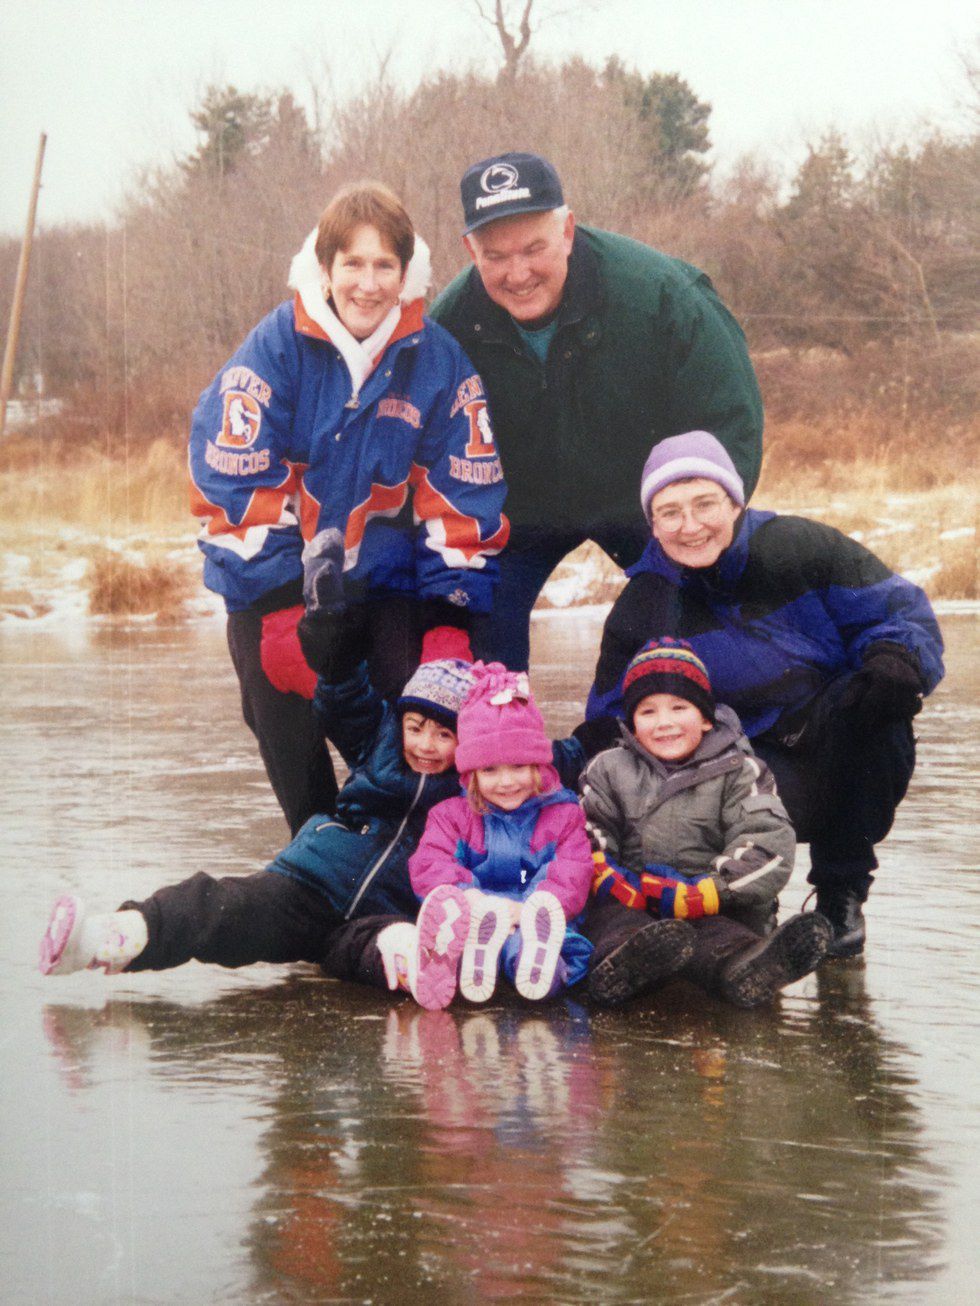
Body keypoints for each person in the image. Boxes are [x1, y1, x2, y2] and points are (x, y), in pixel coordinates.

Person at [189, 181, 509, 833]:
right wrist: (282, 611)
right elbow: (231, 487)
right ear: (325, 267)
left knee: (416, 726)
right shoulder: (273, 351)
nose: (367, 284)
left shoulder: (440, 362)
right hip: (282, 590)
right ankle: (314, 849)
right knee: (283, 715)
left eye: (384, 265)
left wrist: (449, 622)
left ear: (406, 271)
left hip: (388, 584)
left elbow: (465, 499)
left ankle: (419, 848)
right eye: (352, 264)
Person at [584, 431, 945, 958]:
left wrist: (897, 659)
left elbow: (900, 613)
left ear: (735, 502)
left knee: (883, 717)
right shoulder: (644, 603)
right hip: (726, 761)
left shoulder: (802, 547)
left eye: (705, 504)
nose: (690, 526)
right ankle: (746, 903)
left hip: (829, 730)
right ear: (653, 524)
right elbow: (611, 717)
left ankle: (841, 896)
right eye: (670, 513)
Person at [429, 150, 763, 671]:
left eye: (533, 248)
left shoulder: (662, 295)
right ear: (470, 250)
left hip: (642, 500)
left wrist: (696, 523)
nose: (518, 273)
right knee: (471, 630)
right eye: (495, 256)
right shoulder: (448, 326)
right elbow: (422, 455)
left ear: (567, 231)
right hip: (518, 512)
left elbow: (731, 426)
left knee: (697, 624)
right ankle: (497, 718)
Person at [38, 658, 482, 1007]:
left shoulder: (473, 794)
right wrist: (334, 632)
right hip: (312, 885)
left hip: (379, 915)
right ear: (400, 723)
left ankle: (419, 965)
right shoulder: (380, 742)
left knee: (378, 947)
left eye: (444, 734)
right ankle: (103, 938)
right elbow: (343, 694)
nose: (425, 745)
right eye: (415, 728)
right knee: (219, 906)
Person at [580, 639, 830, 1008]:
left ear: (706, 717)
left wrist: (704, 893)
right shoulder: (607, 768)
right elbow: (588, 833)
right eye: (648, 711)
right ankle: (624, 964)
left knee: (718, 935)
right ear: (632, 721)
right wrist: (612, 879)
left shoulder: (742, 771)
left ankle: (745, 967)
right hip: (633, 901)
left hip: (712, 904)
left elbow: (767, 845)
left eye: (679, 707)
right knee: (612, 922)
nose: (664, 723)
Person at [405, 662, 595, 1005]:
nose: (506, 782)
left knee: (538, 951)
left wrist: (526, 911)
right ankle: (450, 965)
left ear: (538, 765)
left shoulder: (563, 815)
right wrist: (471, 901)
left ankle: (534, 964)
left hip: (536, 919)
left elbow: (572, 873)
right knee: (459, 939)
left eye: (518, 766)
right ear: (471, 775)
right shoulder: (451, 816)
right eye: (490, 770)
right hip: (474, 916)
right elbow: (431, 864)